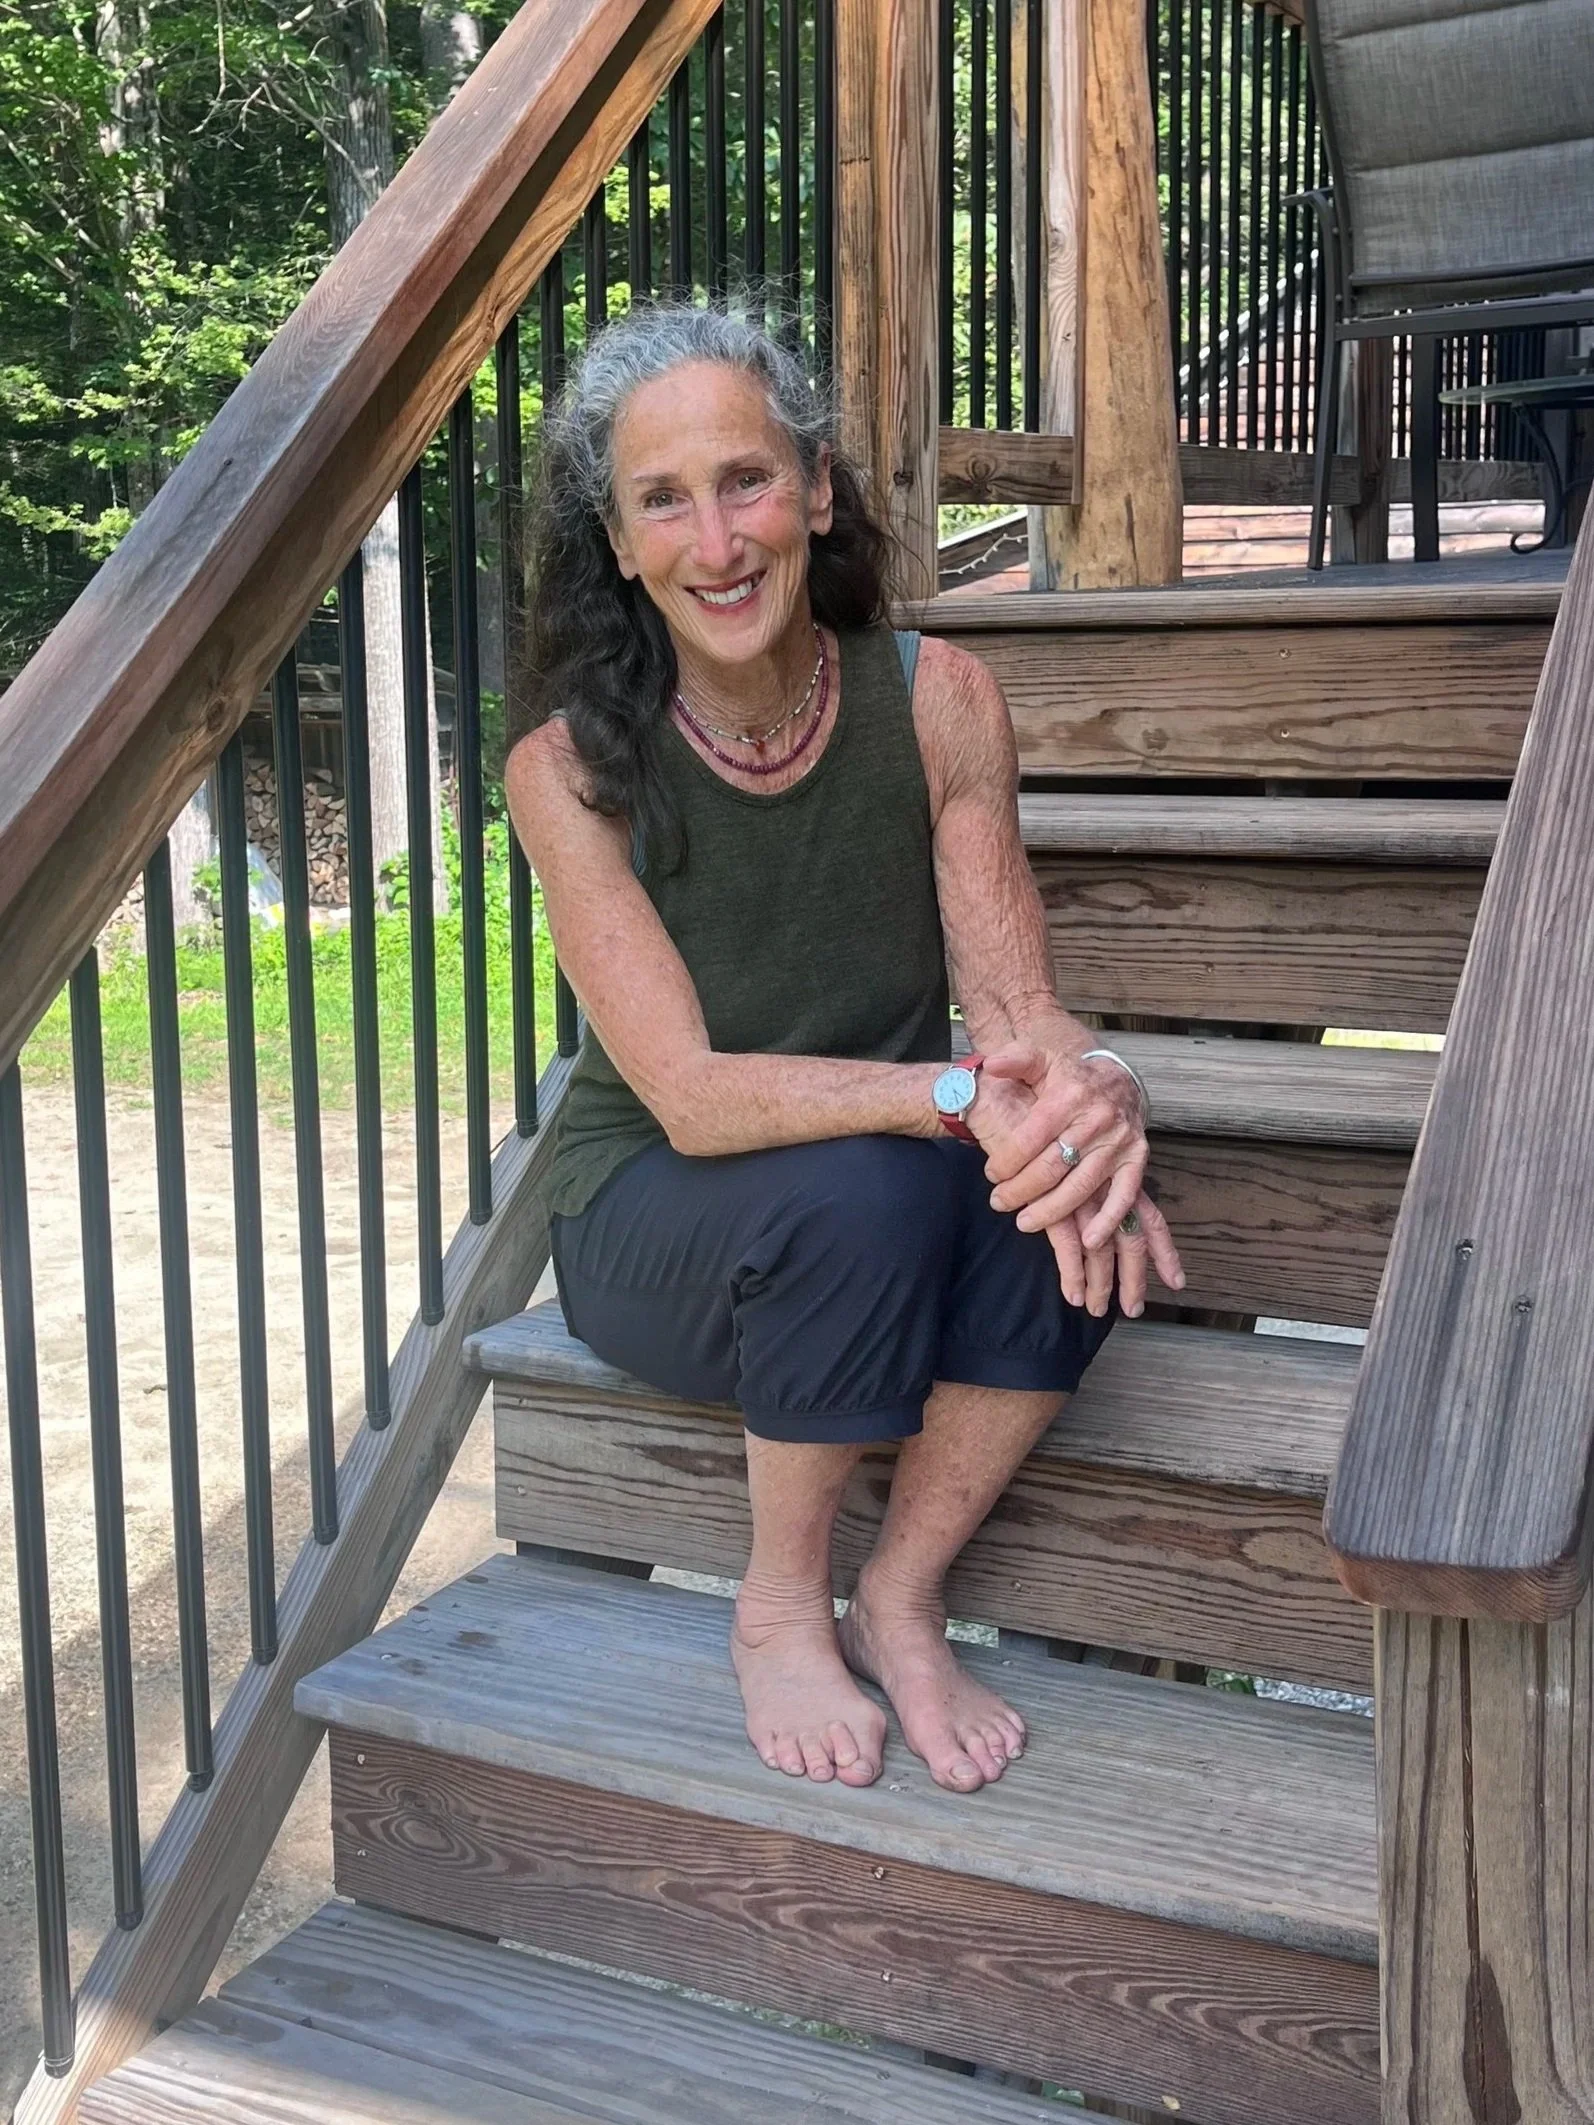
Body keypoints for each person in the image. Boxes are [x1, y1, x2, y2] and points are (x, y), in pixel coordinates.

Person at [506, 303, 1185, 1798]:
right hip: (653, 1219)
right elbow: (685, 1097)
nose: (716, 540)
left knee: (1059, 1190)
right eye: (661, 501)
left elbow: (1013, 1014)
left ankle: (898, 1591)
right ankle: (776, 1602)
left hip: (869, 1177)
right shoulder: (568, 770)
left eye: (744, 481)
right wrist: (953, 1098)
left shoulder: (937, 700)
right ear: (619, 546)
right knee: (875, 1191)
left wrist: (1086, 1096)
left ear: (816, 490)